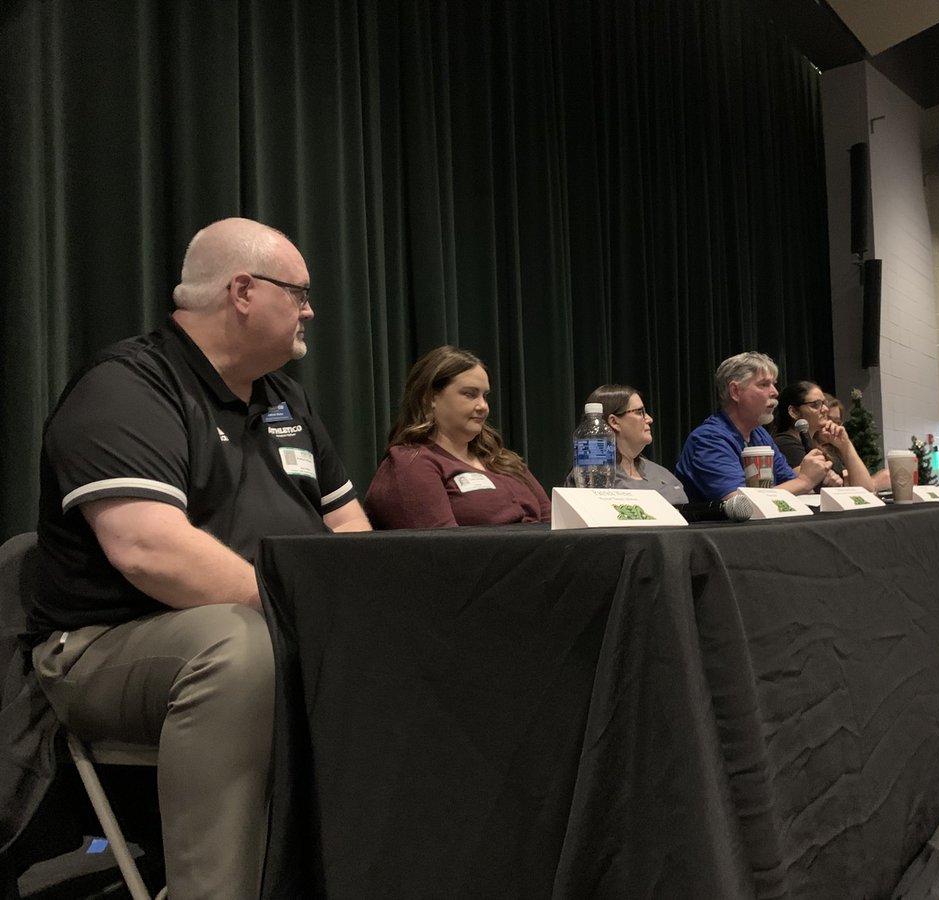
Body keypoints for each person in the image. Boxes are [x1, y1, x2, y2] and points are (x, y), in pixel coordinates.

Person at [27, 217, 372, 899]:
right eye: (298, 292)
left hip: (279, 627)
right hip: (107, 645)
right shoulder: (129, 385)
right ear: (243, 291)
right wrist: (307, 614)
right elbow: (149, 550)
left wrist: (360, 613)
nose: (310, 309)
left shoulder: (286, 400)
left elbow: (349, 521)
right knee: (238, 647)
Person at [365, 346, 551, 528]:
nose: (483, 406)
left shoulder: (503, 459)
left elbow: (554, 524)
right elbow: (444, 549)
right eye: (470, 394)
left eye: (485, 396)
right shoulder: (411, 462)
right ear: (429, 397)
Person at [674, 352, 831, 502]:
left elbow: (789, 483)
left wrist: (810, 476)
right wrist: (804, 481)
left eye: (774, 385)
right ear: (735, 391)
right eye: (764, 384)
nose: (775, 392)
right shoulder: (709, 439)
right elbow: (740, 502)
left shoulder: (760, 435)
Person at [564, 384, 687, 505]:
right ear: (614, 422)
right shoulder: (594, 477)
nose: (649, 419)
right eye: (640, 412)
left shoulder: (658, 472)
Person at [771, 381, 875, 490]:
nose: (825, 409)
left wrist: (846, 446)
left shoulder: (818, 445)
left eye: (824, 403)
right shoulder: (786, 444)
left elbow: (867, 490)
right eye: (815, 405)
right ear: (794, 412)